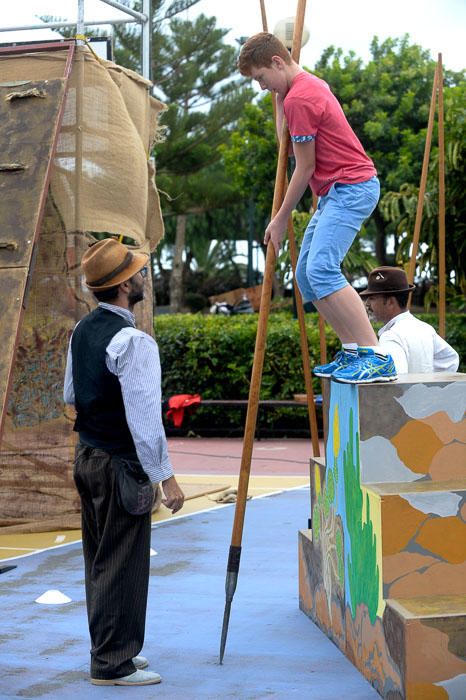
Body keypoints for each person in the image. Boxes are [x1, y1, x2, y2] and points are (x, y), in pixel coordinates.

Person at [238, 32, 396, 383]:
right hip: (336, 191)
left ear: (277, 62)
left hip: (351, 188)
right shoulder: (297, 91)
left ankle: (376, 355)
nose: (261, 86)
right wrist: (279, 95)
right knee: (306, 278)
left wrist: (280, 219)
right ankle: (353, 351)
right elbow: (287, 145)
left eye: (261, 78)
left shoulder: (303, 97)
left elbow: (304, 167)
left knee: (322, 269)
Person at [63, 238, 185, 687]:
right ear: (123, 285)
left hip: (87, 455)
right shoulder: (134, 341)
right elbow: (145, 421)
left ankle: (111, 651)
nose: (141, 277)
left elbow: (71, 396)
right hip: (120, 464)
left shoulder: (83, 331)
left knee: (100, 559)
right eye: (136, 272)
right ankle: (112, 662)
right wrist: (166, 479)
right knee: (123, 563)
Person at [360, 266, 460, 374]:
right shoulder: (425, 328)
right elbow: (450, 360)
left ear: (390, 302)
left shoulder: (391, 336)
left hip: (407, 391)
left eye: (372, 298)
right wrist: (431, 384)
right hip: (424, 390)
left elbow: (396, 379)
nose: (367, 303)